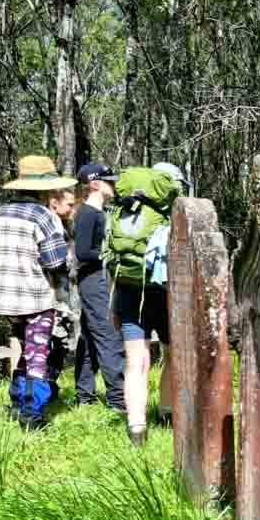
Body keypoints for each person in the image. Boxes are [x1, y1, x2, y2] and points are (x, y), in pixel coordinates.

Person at [0, 154, 76, 430]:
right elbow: (55, 262)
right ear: (45, 188)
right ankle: (32, 415)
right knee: (38, 353)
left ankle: (16, 402)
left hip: (6, 297)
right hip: (35, 296)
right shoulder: (42, 216)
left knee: (24, 351)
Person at [112, 160, 183, 448]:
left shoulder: (123, 210)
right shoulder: (169, 212)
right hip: (164, 294)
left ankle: (137, 429)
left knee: (136, 363)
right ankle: (167, 414)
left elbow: (112, 260)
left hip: (129, 293)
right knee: (172, 355)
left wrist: (114, 307)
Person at [69, 163, 126, 413]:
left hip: (100, 279)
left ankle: (85, 395)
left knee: (91, 337)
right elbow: (82, 252)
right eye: (108, 181)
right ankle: (118, 400)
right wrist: (110, 254)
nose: (113, 185)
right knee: (109, 335)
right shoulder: (88, 214)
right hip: (94, 281)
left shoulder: (102, 213)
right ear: (94, 184)